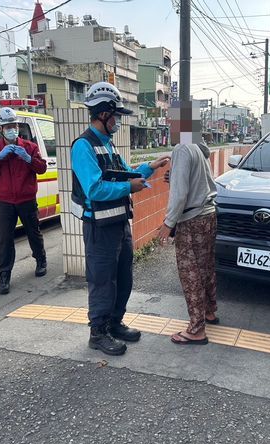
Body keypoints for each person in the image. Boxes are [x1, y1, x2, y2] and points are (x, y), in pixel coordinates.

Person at [71, 81, 169, 356]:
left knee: (123, 278)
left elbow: (127, 173)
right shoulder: (83, 146)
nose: (118, 122)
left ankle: (115, 323)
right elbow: (94, 188)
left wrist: (151, 166)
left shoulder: (109, 147)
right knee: (102, 281)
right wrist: (129, 187)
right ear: (104, 113)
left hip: (118, 224)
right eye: (116, 116)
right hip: (99, 228)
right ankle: (98, 333)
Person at [158, 100, 218, 346]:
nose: (169, 125)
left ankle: (196, 329)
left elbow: (180, 194)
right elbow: (196, 180)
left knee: (190, 272)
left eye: (172, 121)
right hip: (209, 214)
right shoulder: (198, 146)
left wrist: (168, 222)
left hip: (192, 219)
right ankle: (210, 311)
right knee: (206, 267)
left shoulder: (182, 148)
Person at [0, 107, 48, 295]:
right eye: (8, 126)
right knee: (4, 239)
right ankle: (3, 276)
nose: (12, 129)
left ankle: (41, 260)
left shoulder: (29, 147)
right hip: (5, 202)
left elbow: (41, 168)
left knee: (34, 233)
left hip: (27, 199)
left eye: (15, 125)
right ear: (1, 128)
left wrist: (28, 158)